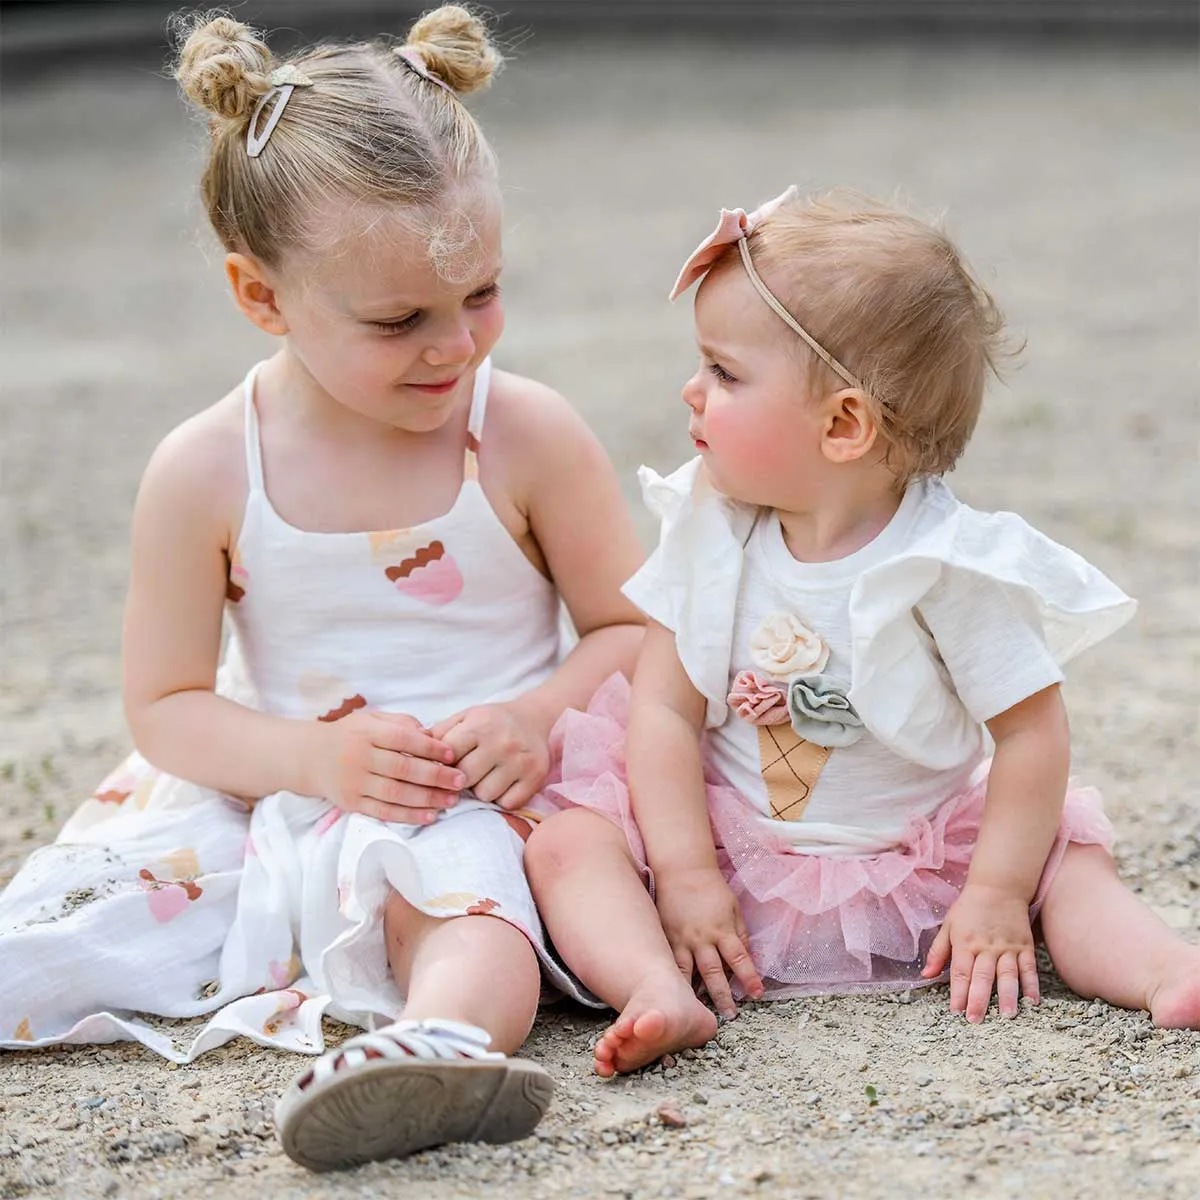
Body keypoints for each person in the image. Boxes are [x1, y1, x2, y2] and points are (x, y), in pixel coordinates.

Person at [0, 5, 645, 1172]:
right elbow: (166, 709)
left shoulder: (524, 437)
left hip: (483, 794)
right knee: (65, 931)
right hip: (281, 788)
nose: (457, 347)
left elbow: (636, 630)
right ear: (262, 298)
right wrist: (314, 761)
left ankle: (436, 1049)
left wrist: (538, 718)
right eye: (400, 321)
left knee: (463, 896)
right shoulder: (205, 471)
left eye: (483, 294)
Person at [524, 186, 1200, 1078]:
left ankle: (1166, 969)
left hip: (912, 851)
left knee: (1067, 866)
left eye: (725, 374)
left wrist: (996, 889)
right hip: (722, 844)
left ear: (844, 424)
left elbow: (1030, 730)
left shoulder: (945, 565)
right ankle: (656, 985)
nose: (692, 389)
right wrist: (685, 874)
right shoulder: (710, 528)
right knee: (569, 844)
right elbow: (663, 711)